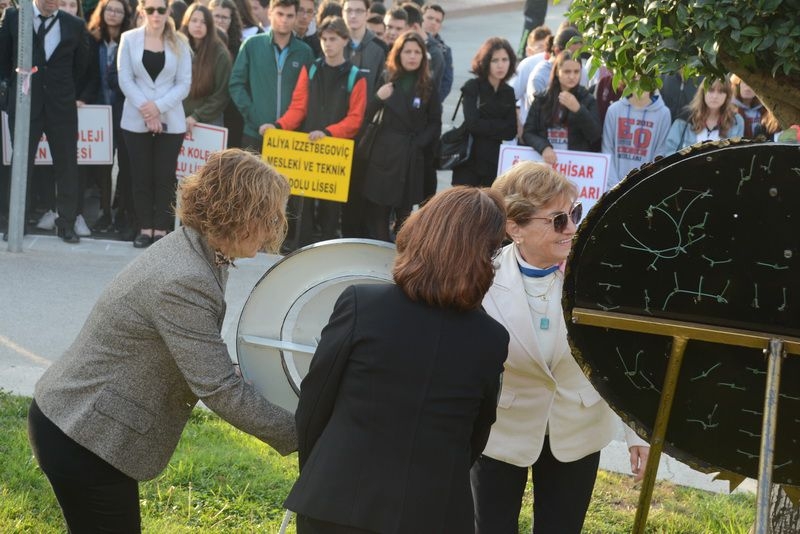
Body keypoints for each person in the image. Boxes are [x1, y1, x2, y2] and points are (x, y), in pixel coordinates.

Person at [28, 148, 297, 533]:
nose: (275, 229)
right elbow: (217, 387)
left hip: (79, 425)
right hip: (83, 435)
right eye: (268, 217)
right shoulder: (186, 279)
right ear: (238, 213)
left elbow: (197, 356)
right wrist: (307, 431)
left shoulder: (198, 250)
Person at [284, 186, 510, 534]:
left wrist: (322, 472)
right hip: (435, 510)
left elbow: (314, 406)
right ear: (485, 257)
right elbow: (475, 436)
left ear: (420, 232)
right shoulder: (491, 339)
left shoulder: (361, 303)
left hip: (336, 496)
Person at [472, 162, 649, 534]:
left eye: (575, 214)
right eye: (557, 220)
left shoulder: (600, 275)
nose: (571, 228)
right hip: (501, 430)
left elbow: (625, 355)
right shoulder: (481, 279)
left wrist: (638, 432)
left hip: (578, 428)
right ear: (514, 227)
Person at [270, 15, 366, 246]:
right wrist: (278, 126)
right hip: (309, 151)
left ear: (344, 40)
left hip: (335, 153)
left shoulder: (356, 76)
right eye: (324, 39)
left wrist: (329, 132)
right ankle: (299, 248)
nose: (327, 44)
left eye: (333, 39)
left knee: (330, 211)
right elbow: (298, 107)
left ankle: (328, 250)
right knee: (301, 205)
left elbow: (355, 119)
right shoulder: (311, 69)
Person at [0, 0, 91, 243]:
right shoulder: (13, 17)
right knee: (21, 165)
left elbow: (82, 67)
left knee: (67, 166)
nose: (53, 2)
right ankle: (17, 223)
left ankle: (67, 224)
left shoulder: (74, 24)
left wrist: (65, 92)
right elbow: (5, 57)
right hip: (25, 104)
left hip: (61, 108)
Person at [118, 0, 192, 248]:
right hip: (135, 118)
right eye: (150, 9)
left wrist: (158, 108)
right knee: (140, 175)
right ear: (142, 10)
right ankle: (144, 228)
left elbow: (184, 84)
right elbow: (125, 79)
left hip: (171, 119)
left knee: (164, 176)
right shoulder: (128, 39)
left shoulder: (180, 41)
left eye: (161, 9)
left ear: (169, 11)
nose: (156, 14)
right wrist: (148, 112)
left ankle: (161, 229)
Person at [361, 31, 441, 242]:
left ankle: (398, 254)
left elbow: (435, 122)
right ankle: (381, 248)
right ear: (399, 54)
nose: (412, 56)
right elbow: (367, 114)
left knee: (405, 213)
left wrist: (419, 143)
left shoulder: (428, 84)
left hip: (410, 156)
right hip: (384, 154)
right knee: (379, 211)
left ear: (423, 57)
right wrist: (379, 98)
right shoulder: (387, 78)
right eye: (407, 52)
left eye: (417, 52)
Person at [229, 0, 314, 151]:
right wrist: (254, 118)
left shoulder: (305, 52)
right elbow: (236, 84)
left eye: (289, 15)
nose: (284, 20)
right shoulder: (251, 45)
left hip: (289, 137)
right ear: (270, 13)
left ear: (295, 17)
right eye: (280, 14)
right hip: (255, 133)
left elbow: (308, 93)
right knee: (251, 175)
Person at [86, 0, 135, 236]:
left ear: (125, 15)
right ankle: (104, 212)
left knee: (125, 166)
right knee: (102, 167)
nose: (113, 14)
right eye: (109, 9)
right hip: (97, 111)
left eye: (118, 10)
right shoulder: (92, 39)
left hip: (124, 112)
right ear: (102, 12)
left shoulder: (132, 40)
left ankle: (122, 213)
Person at [451, 37, 517, 188]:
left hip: (494, 163)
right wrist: (499, 125)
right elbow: (472, 124)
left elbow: (511, 130)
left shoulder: (508, 91)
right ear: (486, 61)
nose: (500, 65)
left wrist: (485, 125)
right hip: (469, 160)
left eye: (505, 60)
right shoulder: (472, 86)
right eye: (495, 60)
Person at [522, 51, 602, 165]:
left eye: (576, 72)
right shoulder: (542, 99)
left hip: (575, 166)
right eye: (567, 72)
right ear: (556, 72)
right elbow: (528, 133)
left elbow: (595, 135)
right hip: (545, 163)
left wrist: (579, 110)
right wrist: (544, 147)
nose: (572, 76)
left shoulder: (587, 99)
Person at [602, 83, 671, 187]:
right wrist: (615, 186)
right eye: (635, 79)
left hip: (644, 187)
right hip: (613, 188)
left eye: (644, 79)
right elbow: (607, 150)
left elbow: (660, 153)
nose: (640, 84)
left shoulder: (663, 114)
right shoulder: (614, 110)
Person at [180, 3, 232, 131]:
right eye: (194, 20)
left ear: (210, 25)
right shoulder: (176, 47)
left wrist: (197, 116)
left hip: (208, 122)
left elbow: (221, 94)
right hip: (177, 118)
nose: (198, 25)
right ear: (187, 22)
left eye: (203, 22)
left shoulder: (220, 53)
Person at [664, 78, 745, 154]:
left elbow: (736, 154)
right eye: (711, 90)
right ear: (703, 92)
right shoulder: (686, 117)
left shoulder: (736, 121)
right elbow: (669, 151)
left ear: (727, 95)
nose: (715, 96)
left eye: (721, 92)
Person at [209, 0, 244, 147]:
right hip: (205, 110)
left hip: (231, 113)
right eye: (216, 16)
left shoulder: (241, 48)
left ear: (232, 20)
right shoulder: (199, 44)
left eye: (224, 17)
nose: (219, 21)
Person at [730, 74, 779, 139]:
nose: (747, 88)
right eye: (745, 83)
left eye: (751, 84)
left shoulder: (766, 111)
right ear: (738, 86)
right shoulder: (730, 110)